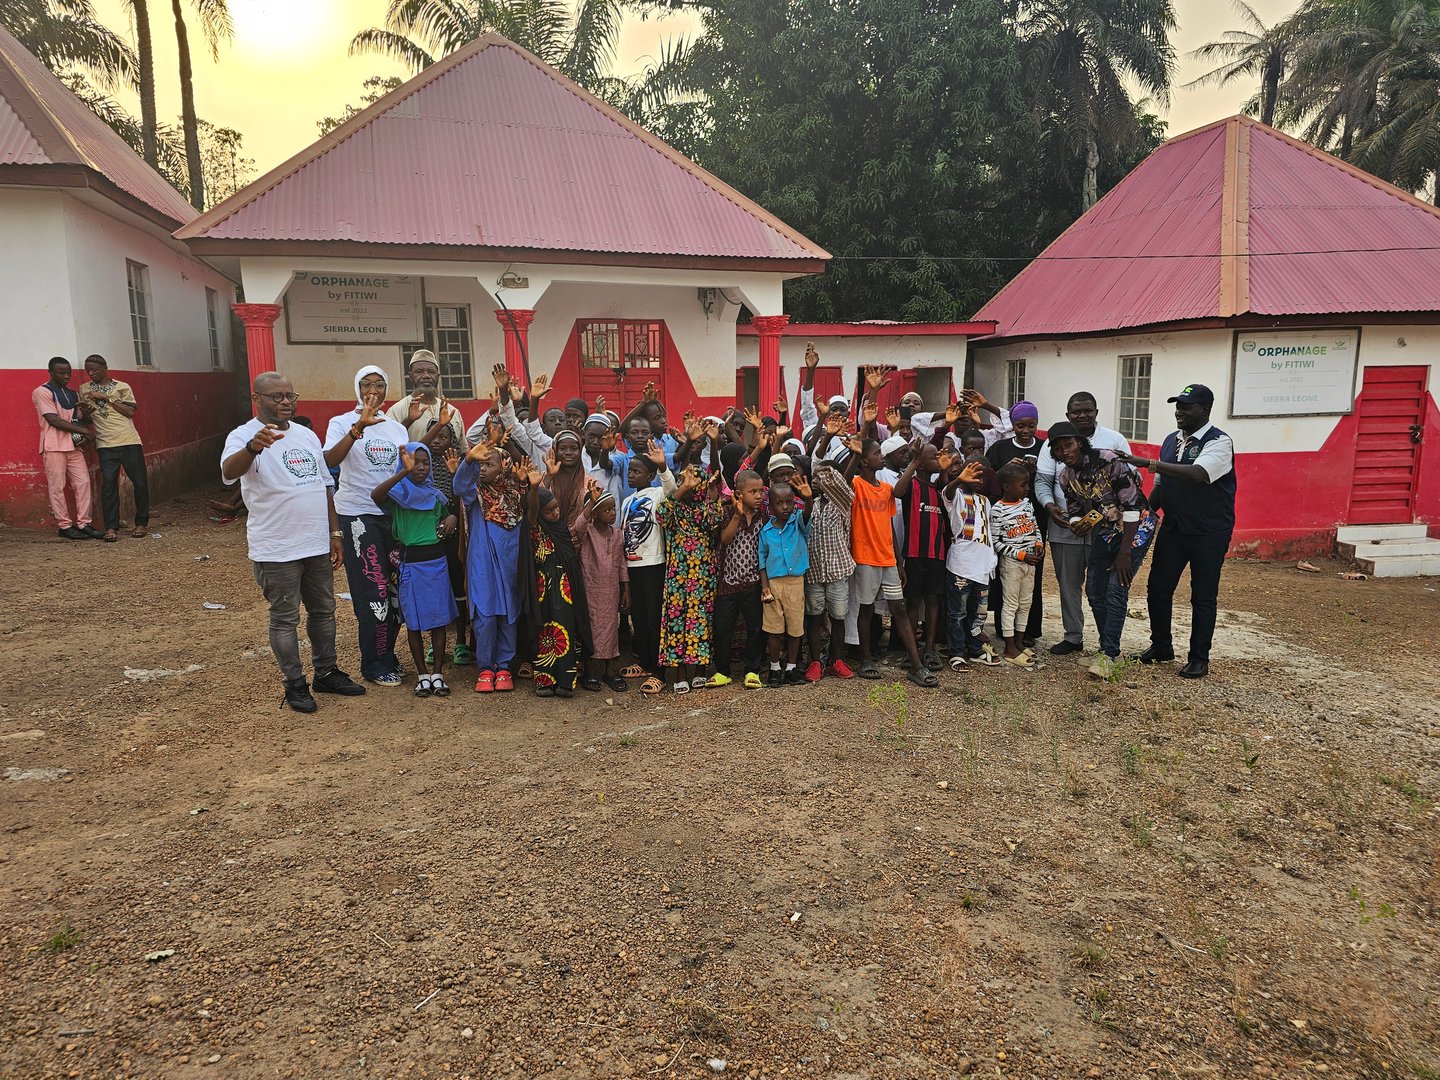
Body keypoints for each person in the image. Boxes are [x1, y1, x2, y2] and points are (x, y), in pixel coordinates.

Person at [220, 372, 364, 711]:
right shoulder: (242, 435)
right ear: (257, 399)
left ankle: (326, 672)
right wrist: (253, 447)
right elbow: (229, 470)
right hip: (277, 547)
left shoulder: (306, 435)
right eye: (276, 396)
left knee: (324, 611)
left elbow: (324, 484)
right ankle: (295, 683)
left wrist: (335, 533)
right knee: (285, 618)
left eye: (289, 395)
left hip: (316, 543)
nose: (285, 402)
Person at [1119, 384, 1237, 680]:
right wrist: (1142, 513)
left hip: (1208, 531)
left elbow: (1199, 474)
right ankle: (1161, 646)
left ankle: (1199, 658)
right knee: (1158, 587)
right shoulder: (1171, 441)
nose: (1179, 411)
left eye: (1186, 406)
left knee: (1203, 595)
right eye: (1177, 406)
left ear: (1205, 410)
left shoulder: (1219, 442)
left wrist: (1149, 463)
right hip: (1174, 527)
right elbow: (1160, 486)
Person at [323, 366, 412, 686]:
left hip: (393, 517)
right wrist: (357, 427)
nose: (372, 389)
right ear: (356, 388)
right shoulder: (340, 423)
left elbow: (407, 467)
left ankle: (386, 653)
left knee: (396, 593)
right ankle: (374, 663)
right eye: (365, 383)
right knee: (371, 592)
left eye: (379, 384)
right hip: (358, 517)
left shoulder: (395, 428)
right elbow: (331, 460)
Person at [1048, 421, 1156, 679]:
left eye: (1069, 444)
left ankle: (1109, 654)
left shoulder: (1109, 460)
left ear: (1080, 443)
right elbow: (1075, 509)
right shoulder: (1065, 476)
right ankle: (1107, 649)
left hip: (1135, 527)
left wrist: (1125, 553)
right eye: (1059, 448)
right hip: (1106, 531)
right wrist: (1077, 524)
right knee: (1095, 590)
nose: (1066, 451)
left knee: (1116, 588)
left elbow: (1131, 506)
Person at [1035, 392, 1132, 656]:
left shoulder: (1113, 445)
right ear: (1068, 415)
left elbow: (1130, 495)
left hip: (1110, 529)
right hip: (1066, 525)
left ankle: (1107, 643)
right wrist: (1051, 507)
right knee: (1068, 583)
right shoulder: (1056, 454)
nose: (1082, 415)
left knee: (1102, 588)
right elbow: (1044, 482)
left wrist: (1123, 544)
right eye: (1076, 412)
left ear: (1096, 412)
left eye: (1087, 410)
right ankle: (1073, 636)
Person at [844, 434, 937, 687]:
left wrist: (898, 560)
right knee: (866, 609)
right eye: (876, 454)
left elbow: (896, 501)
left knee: (899, 609)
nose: (881, 457)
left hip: (887, 558)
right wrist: (854, 454)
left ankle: (916, 665)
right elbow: (842, 482)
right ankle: (865, 659)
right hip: (865, 557)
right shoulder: (855, 484)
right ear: (863, 461)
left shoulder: (885, 489)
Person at [371, 443, 460, 697]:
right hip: (411, 564)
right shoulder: (398, 494)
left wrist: (452, 516)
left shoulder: (434, 494)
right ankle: (422, 674)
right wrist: (402, 473)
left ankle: (438, 673)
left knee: (439, 620)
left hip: (437, 563)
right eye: (415, 462)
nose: (421, 467)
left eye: (425, 462)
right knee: (414, 621)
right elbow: (375, 496)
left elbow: (451, 510)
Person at [454, 436, 526, 693]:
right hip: (482, 564)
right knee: (484, 614)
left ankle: (504, 666)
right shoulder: (476, 495)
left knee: (508, 613)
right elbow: (459, 485)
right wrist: (470, 459)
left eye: (489, 464)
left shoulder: (516, 496)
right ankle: (485, 667)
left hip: (509, 565)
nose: (483, 469)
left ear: (504, 467)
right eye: (481, 465)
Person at [522, 468, 591, 698]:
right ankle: (544, 681)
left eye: (557, 508)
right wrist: (533, 488)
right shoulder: (535, 528)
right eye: (550, 510)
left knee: (566, 630)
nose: (556, 512)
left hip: (565, 589)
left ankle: (565, 681)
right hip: (543, 589)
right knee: (545, 631)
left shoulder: (560, 528)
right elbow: (532, 508)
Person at [657, 465, 725, 694]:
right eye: (684, 479)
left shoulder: (707, 508)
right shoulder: (673, 507)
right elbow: (660, 515)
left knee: (701, 620)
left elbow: (716, 520)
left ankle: (700, 671)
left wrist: (711, 492)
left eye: (695, 479)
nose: (690, 482)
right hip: (678, 575)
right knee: (678, 620)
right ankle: (680, 673)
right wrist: (684, 487)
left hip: (704, 576)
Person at [986, 401, 1046, 646]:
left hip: (1034, 518)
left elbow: (1050, 478)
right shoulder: (1000, 448)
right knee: (1007, 575)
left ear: (1036, 424)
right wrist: (1007, 469)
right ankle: (1005, 628)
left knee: (1034, 573)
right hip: (1005, 518)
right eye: (1020, 425)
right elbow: (988, 479)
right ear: (1012, 424)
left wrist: (1036, 471)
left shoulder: (1044, 447)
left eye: (1030, 425)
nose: (1025, 430)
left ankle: (1029, 630)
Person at [620, 443, 677, 696]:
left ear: (650, 476)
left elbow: (672, 489)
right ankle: (644, 662)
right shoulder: (626, 501)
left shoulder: (656, 494)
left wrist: (663, 466)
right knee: (639, 618)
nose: (631, 475)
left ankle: (659, 672)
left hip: (654, 564)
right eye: (630, 471)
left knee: (655, 619)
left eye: (637, 471)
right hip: (633, 566)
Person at [77, 354, 148, 541]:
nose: (91, 373)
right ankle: (111, 527)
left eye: (94, 369)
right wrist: (84, 414)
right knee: (108, 485)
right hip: (105, 444)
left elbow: (130, 412)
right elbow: (85, 418)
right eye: (88, 370)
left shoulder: (122, 387)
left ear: (105, 368)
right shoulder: (84, 389)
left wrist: (106, 397)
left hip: (129, 441)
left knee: (139, 482)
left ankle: (141, 523)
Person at [710, 469, 769, 689]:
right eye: (752, 491)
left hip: (753, 583)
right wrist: (737, 514)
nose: (758, 496)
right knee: (723, 628)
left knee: (755, 628)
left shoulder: (763, 516)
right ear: (739, 493)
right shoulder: (727, 512)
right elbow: (725, 540)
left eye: (761, 491)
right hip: (727, 583)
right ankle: (722, 670)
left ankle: (752, 670)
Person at [939, 451, 997, 672]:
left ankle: (975, 648)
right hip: (961, 567)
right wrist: (959, 480)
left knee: (979, 614)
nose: (978, 481)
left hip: (982, 568)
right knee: (957, 613)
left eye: (982, 477)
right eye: (973, 476)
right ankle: (956, 652)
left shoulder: (985, 501)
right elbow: (948, 491)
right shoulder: (956, 497)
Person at [34, 357, 101, 540]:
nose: (66, 376)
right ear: (51, 372)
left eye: (68, 372)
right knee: (57, 487)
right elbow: (53, 419)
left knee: (83, 483)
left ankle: (84, 523)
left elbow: (76, 417)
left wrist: (85, 416)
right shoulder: (42, 391)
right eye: (61, 373)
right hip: (53, 445)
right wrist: (84, 431)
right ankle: (64, 525)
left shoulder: (72, 394)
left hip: (74, 445)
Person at [897, 441, 948, 671]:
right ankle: (912, 648)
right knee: (914, 601)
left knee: (933, 600)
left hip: (937, 554)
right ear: (922, 462)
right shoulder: (913, 484)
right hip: (915, 554)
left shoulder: (940, 487)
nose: (939, 459)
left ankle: (930, 648)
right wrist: (914, 462)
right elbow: (897, 492)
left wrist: (946, 469)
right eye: (934, 457)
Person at [803, 460, 856, 682]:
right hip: (814, 571)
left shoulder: (842, 503)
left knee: (838, 618)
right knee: (814, 618)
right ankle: (816, 662)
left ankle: (836, 661)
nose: (815, 481)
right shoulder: (811, 505)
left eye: (821, 477)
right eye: (814, 477)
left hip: (837, 571)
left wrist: (830, 474)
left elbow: (843, 486)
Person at [989, 461, 1045, 669]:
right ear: (1007, 487)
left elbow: (1034, 526)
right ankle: (1009, 646)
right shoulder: (998, 510)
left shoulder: (1027, 503)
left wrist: (1038, 543)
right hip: (1012, 564)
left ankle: (1020, 642)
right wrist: (1020, 555)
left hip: (1031, 561)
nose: (1027, 488)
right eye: (1023, 485)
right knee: (1010, 604)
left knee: (1026, 603)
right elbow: (996, 542)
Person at [758, 477, 813, 685]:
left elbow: (807, 515)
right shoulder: (766, 531)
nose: (785, 507)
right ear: (771, 507)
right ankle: (774, 669)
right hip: (773, 585)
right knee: (773, 629)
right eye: (779, 503)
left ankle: (791, 668)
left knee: (795, 628)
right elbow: (762, 560)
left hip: (795, 583)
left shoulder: (798, 522)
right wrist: (764, 587)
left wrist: (808, 499)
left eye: (789, 502)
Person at [574, 482, 629, 692]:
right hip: (590, 589)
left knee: (610, 629)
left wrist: (626, 588)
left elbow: (622, 563)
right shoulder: (587, 532)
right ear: (595, 514)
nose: (612, 513)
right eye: (606, 510)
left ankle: (609, 670)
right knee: (589, 629)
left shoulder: (617, 535)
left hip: (611, 590)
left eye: (613, 508)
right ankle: (589, 671)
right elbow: (577, 525)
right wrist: (591, 503)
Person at [387, 350, 464, 442]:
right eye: (419, 372)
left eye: (431, 372)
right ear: (410, 376)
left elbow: (462, 449)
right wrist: (408, 420)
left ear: (438, 376)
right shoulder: (397, 410)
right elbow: (389, 443)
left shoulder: (452, 412)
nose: (426, 376)